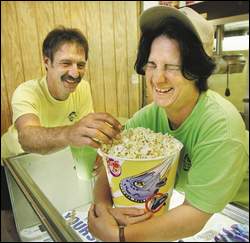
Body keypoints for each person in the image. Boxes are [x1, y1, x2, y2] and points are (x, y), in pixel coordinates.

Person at [88, 6, 249, 242]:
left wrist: (119, 236)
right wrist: (103, 208)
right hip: (213, 207)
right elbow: (111, 163)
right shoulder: (149, 117)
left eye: (172, 66)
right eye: (152, 65)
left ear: (196, 70)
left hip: (240, 212)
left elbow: (194, 215)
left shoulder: (220, 126)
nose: (158, 78)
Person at [1, 26, 122, 209]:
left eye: (80, 65)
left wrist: (98, 153)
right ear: (47, 62)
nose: (75, 73)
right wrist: (70, 133)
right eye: (66, 63)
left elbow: (86, 134)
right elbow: (26, 137)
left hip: (52, 159)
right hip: (13, 165)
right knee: (18, 219)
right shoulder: (26, 92)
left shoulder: (83, 89)